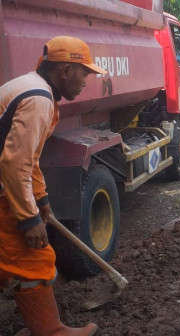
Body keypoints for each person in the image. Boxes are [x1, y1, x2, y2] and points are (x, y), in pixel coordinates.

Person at [0, 36, 106, 336]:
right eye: (83, 72)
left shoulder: (31, 88)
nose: (86, 80)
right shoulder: (38, 99)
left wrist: (41, 199)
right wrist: (29, 218)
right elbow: (14, 163)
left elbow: (27, 158)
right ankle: (49, 332)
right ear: (64, 71)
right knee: (33, 259)